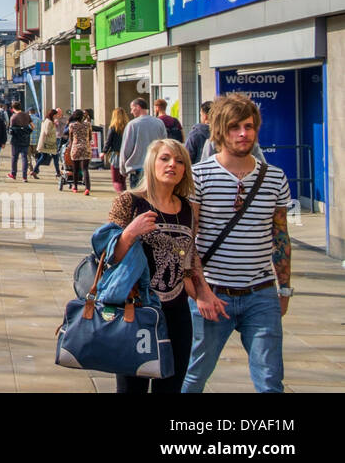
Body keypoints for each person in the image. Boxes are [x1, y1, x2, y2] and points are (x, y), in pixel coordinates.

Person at [183, 94, 293, 393]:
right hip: (213, 294)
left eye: (249, 126)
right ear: (219, 131)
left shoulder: (275, 177)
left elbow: (280, 237)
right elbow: (188, 240)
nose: (243, 133)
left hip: (262, 294)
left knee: (271, 381)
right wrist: (201, 292)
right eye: (234, 127)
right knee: (193, 377)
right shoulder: (199, 176)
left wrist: (284, 289)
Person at [107, 138, 211, 394]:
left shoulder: (187, 208)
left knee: (172, 386)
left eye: (179, 161)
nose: (172, 165)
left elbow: (189, 255)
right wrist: (130, 232)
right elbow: (108, 256)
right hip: (135, 311)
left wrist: (203, 291)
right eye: (165, 158)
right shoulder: (130, 201)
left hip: (176, 313)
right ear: (152, 163)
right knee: (132, 388)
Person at [122, 98, 168, 190]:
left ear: (138, 107)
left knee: (138, 200)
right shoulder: (159, 123)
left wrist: (123, 169)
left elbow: (126, 148)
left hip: (137, 168)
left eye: (132, 108)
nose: (131, 112)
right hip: (154, 168)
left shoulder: (132, 125)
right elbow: (164, 144)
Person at [67, 109, 93, 195]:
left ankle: (75, 187)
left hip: (76, 148)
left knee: (76, 169)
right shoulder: (88, 125)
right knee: (85, 169)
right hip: (86, 148)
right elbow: (90, 137)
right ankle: (87, 188)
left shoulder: (72, 125)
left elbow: (70, 138)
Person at [104, 108, 128, 192]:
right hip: (126, 155)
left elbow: (108, 141)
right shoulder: (128, 127)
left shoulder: (113, 127)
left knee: (116, 180)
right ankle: (125, 194)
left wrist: (104, 151)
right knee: (123, 179)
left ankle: (121, 195)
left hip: (116, 155)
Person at [185, 101, 212, 166]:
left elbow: (187, 157)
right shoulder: (223, 132)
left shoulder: (196, 133)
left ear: (205, 116)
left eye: (200, 114)